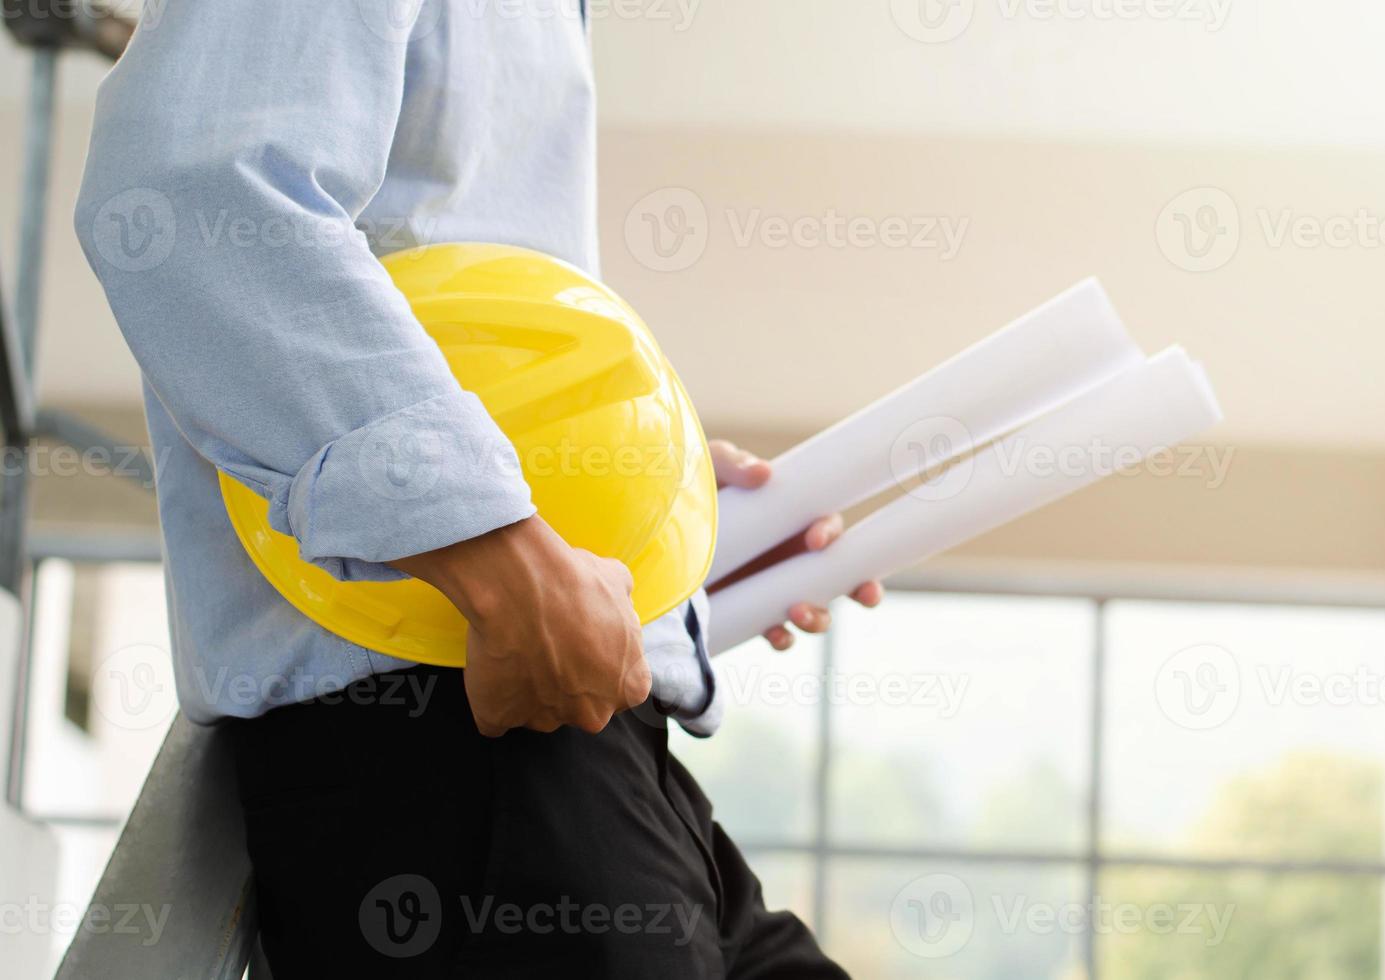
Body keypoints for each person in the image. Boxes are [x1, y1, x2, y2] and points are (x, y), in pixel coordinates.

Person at [74, 2, 879, 975]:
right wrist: (495, 550)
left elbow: (454, 306)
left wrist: (652, 505)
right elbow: (194, 193)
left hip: (574, 743)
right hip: (454, 736)